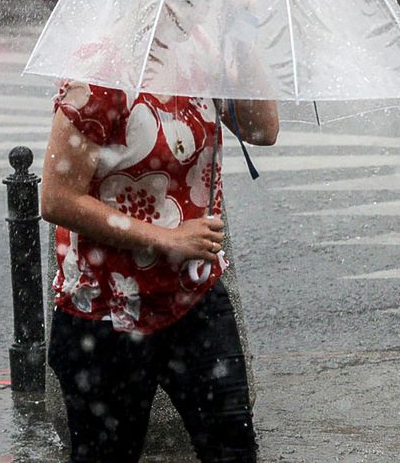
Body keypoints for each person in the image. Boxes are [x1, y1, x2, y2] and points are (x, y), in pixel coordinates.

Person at [41, 76, 278, 463]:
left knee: (233, 451)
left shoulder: (201, 59)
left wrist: (241, 34)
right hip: (107, 311)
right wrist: (167, 239)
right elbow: (56, 198)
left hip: (195, 299)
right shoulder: (101, 75)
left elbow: (263, 130)